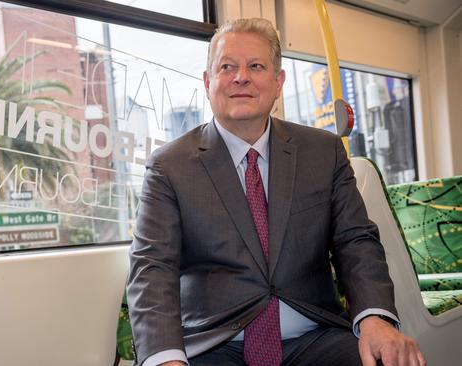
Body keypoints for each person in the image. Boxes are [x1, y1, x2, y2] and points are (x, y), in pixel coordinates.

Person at [126, 18, 426, 366]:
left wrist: (375, 318)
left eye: (256, 66)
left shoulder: (323, 152)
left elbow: (355, 241)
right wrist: (164, 358)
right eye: (227, 67)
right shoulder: (169, 165)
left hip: (314, 337)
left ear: (278, 82)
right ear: (209, 82)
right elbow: (152, 267)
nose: (242, 77)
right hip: (214, 343)